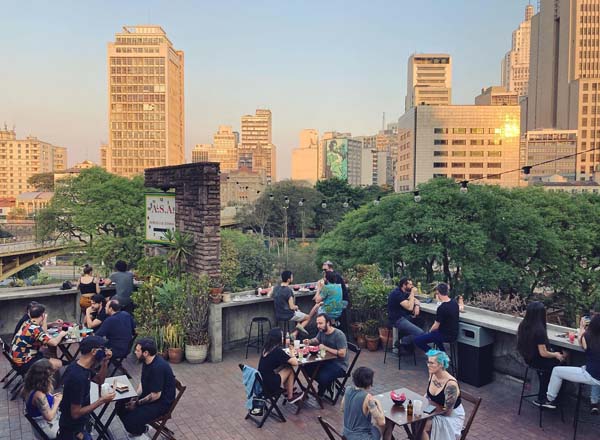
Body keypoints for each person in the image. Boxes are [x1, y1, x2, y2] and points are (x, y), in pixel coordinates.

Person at [116, 338, 176, 440]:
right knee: (120, 405)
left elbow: (156, 395)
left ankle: (139, 432)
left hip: (161, 403)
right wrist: (134, 396)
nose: (135, 352)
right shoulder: (146, 361)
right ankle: (138, 430)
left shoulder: (158, 367)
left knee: (131, 419)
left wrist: (137, 403)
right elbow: (143, 383)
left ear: (146, 353)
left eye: (138, 350)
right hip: (150, 397)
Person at [57, 336, 115, 440]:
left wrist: (105, 362)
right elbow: (75, 413)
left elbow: (99, 381)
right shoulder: (77, 378)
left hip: (80, 423)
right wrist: (102, 400)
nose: (106, 351)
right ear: (94, 351)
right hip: (73, 429)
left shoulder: (82, 366)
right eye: (103, 349)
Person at [545, 314, 600, 414]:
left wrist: (582, 327)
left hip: (591, 375)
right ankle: (594, 402)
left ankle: (549, 399)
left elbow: (580, 339)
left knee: (556, 371)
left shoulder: (587, 337)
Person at [516, 301, 566, 407]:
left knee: (547, 370)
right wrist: (557, 355)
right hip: (538, 360)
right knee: (562, 367)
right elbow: (543, 353)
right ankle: (550, 399)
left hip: (528, 358)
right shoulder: (539, 330)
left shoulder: (523, 325)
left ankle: (542, 396)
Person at [11, 303, 68, 374]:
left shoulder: (27, 322)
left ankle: (52, 380)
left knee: (50, 355)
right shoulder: (35, 329)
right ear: (42, 315)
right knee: (61, 364)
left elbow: (42, 332)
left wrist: (52, 323)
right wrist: (62, 334)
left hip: (18, 359)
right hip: (25, 362)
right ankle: (49, 382)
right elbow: (54, 343)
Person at [422, 349, 465, 440]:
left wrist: (428, 411)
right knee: (416, 418)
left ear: (441, 364)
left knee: (423, 426)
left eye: (431, 363)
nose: (428, 365)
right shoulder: (432, 374)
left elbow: (447, 412)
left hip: (451, 417)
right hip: (435, 409)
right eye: (428, 362)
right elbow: (429, 395)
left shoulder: (451, 385)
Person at [303, 313, 348, 397]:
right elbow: (316, 340)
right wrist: (309, 341)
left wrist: (325, 348)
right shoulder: (322, 331)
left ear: (328, 323)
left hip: (339, 365)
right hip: (326, 361)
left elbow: (342, 354)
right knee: (306, 368)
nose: (318, 326)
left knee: (322, 377)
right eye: (317, 323)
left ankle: (322, 391)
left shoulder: (339, 335)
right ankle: (328, 383)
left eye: (320, 323)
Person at [257, 328, 303, 404]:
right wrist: (292, 351)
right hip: (270, 385)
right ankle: (290, 397)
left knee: (285, 366)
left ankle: (287, 391)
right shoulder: (277, 351)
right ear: (277, 338)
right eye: (281, 336)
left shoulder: (266, 348)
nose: (283, 338)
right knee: (289, 369)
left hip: (262, 382)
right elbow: (295, 363)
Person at [341, 366, 387, 440]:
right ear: (369, 382)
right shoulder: (368, 398)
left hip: (346, 434)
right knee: (384, 424)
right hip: (361, 437)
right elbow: (382, 422)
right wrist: (378, 403)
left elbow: (342, 409)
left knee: (372, 425)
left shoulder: (347, 390)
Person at [272, 270, 319, 337]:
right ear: (288, 279)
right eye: (291, 277)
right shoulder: (288, 290)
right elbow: (291, 307)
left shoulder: (276, 288)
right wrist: (296, 306)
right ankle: (294, 333)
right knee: (307, 317)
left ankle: (297, 327)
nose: (292, 278)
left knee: (298, 313)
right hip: (288, 315)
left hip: (278, 314)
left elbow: (270, 295)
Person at [413, 283, 459, 353]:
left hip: (444, 335)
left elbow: (436, 326)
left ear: (437, 292)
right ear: (447, 291)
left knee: (417, 340)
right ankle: (443, 352)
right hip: (453, 334)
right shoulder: (454, 303)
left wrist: (429, 332)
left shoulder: (442, 308)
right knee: (435, 334)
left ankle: (436, 356)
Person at [23, 358, 62, 439]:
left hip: (43, 424)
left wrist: (52, 397)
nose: (52, 376)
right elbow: (49, 417)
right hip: (48, 427)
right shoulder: (39, 395)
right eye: (50, 375)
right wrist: (57, 401)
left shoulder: (29, 386)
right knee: (75, 425)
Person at [387, 277, 424, 352]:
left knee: (421, 321)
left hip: (404, 317)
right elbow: (410, 307)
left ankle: (408, 344)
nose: (412, 286)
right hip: (397, 319)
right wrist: (413, 293)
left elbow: (413, 299)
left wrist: (417, 306)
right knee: (421, 334)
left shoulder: (403, 292)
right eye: (410, 285)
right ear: (404, 285)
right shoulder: (396, 294)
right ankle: (401, 341)